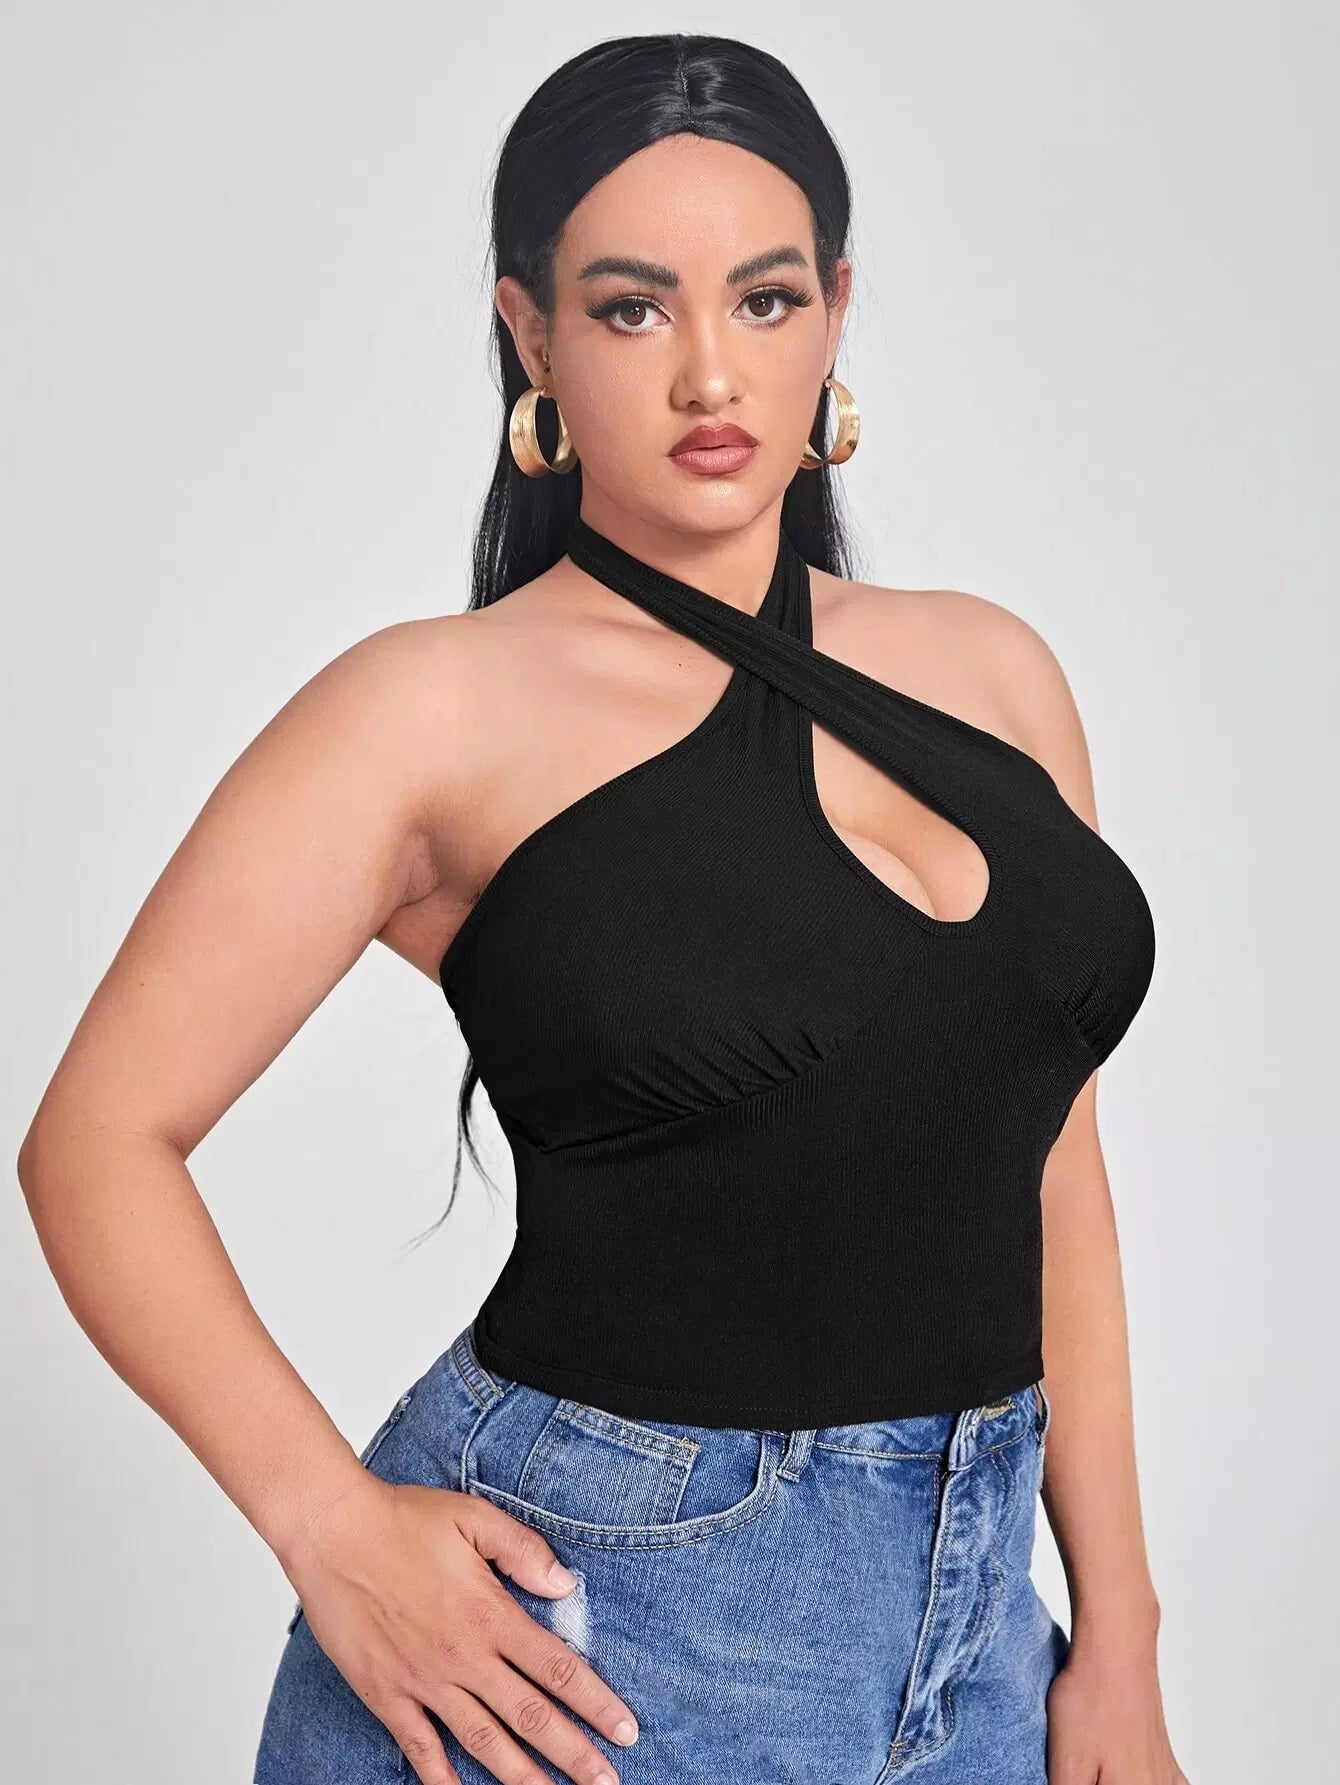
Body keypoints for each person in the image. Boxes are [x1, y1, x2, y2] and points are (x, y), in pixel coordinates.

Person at [15, 31, 1190, 1785]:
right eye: (634, 308)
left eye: (766, 299)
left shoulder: (994, 673)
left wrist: (1122, 1639)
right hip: (584, 1656)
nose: (711, 370)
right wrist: (329, 1524)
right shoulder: (430, 710)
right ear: (532, 334)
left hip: (980, 1644)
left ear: (837, 312)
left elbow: (1053, 1163)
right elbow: (93, 1141)